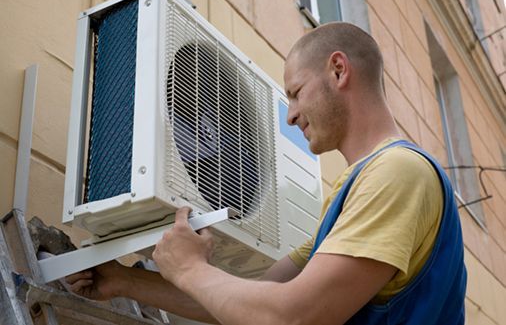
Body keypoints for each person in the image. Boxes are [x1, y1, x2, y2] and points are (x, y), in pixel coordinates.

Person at [67, 22, 466, 325]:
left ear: (339, 70)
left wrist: (190, 268)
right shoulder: (355, 190)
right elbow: (260, 300)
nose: (290, 115)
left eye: (295, 92)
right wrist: (123, 281)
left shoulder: (397, 173)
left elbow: (293, 316)